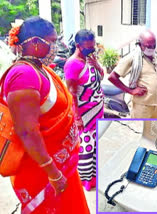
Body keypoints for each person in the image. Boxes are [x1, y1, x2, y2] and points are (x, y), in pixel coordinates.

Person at [2, 16, 90, 213]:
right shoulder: (23, 76)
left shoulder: (39, 69)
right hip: (43, 171)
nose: (56, 46)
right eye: (51, 41)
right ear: (34, 43)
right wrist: (53, 172)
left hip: (60, 166)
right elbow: (26, 131)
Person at [64, 29, 104, 191]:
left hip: (97, 110)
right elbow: (72, 94)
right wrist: (78, 118)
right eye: (88, 47)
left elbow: (100, 77)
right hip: (85, 114)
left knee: (95, 146)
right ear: (77, 45)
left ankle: (94, 177)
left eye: (93, 47)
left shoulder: (89, 59)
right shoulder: (72, 64)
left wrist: (97, 65)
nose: (91, 50)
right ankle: (86, 182)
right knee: (86, 148)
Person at [108, 30, 157, 118]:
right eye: (148, 46)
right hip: (142, 107)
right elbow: (112, 77)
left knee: (154, 129)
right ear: (140, 44)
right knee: (140, 130)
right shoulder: (133, 58)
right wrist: (131, 91)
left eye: (153, 46)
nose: (151, 48)